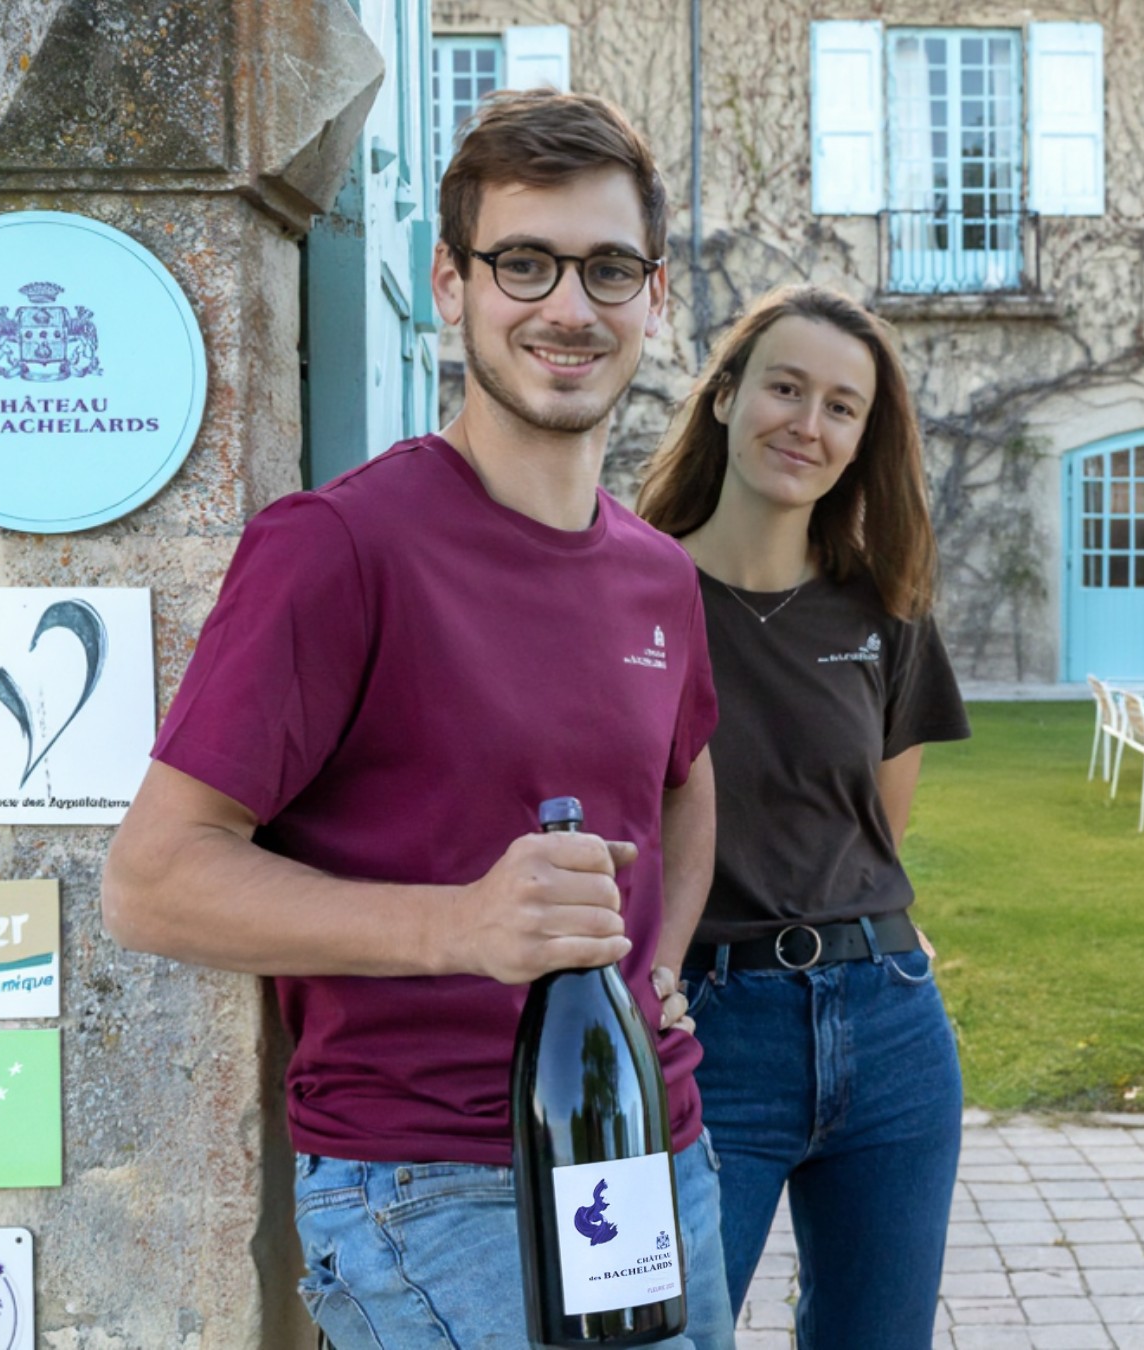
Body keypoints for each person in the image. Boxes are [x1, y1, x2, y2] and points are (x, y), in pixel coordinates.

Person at [101, 89, 736, 1349]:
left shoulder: (657, 574)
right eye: (524, 263)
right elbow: (153, 882)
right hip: (436, 1186)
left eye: (609, 269)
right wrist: (462, 925)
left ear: (655, 298)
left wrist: (659, 964)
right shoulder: (340, 548)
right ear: (452, 284)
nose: (570, 307)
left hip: (655, 1151)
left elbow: (684, 781)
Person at [636, 285, 971, 1347]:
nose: (808, 424)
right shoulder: (625, 588)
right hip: (703, 1030)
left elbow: (876, 835)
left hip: (890, 1031)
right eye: (785, 388)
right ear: (725, 396)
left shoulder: (885, 612)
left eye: (841, 407)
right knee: (666, 1334)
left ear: (863, 439)